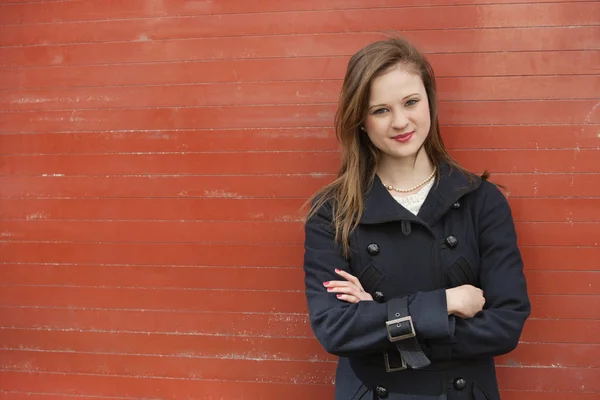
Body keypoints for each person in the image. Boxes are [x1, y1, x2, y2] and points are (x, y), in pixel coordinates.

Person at [302, 36, 530, 400]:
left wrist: (380, 318)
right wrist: (445, 304)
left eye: (411, 102)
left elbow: (505, 325)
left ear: (429, 101)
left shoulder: (480, 202)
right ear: (360, 120)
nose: (400, 122)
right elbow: (336, 329)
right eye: (380, 110)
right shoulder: (332, 213)